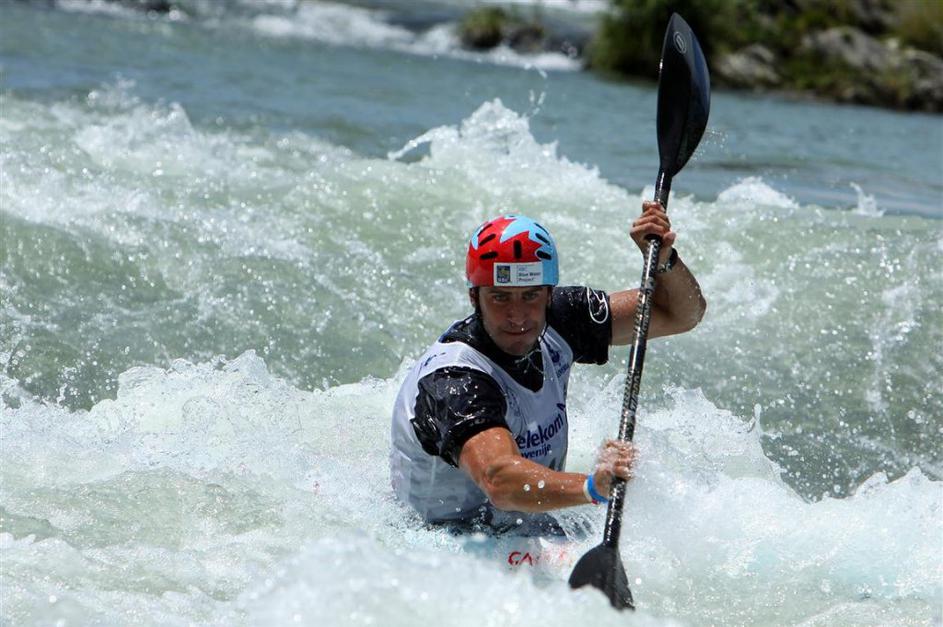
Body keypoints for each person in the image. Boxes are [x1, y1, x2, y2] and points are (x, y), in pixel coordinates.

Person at [390, 201, 706, 526]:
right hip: (444, 538)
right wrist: (593, 487)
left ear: (549, 294)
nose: (517, 316)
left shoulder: (562, 319)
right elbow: (499, 480)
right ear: (475, 298)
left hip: (521, 525)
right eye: (500, 297)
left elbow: (681, 314)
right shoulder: (455, 380)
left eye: (530, 295)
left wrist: (664, 260)